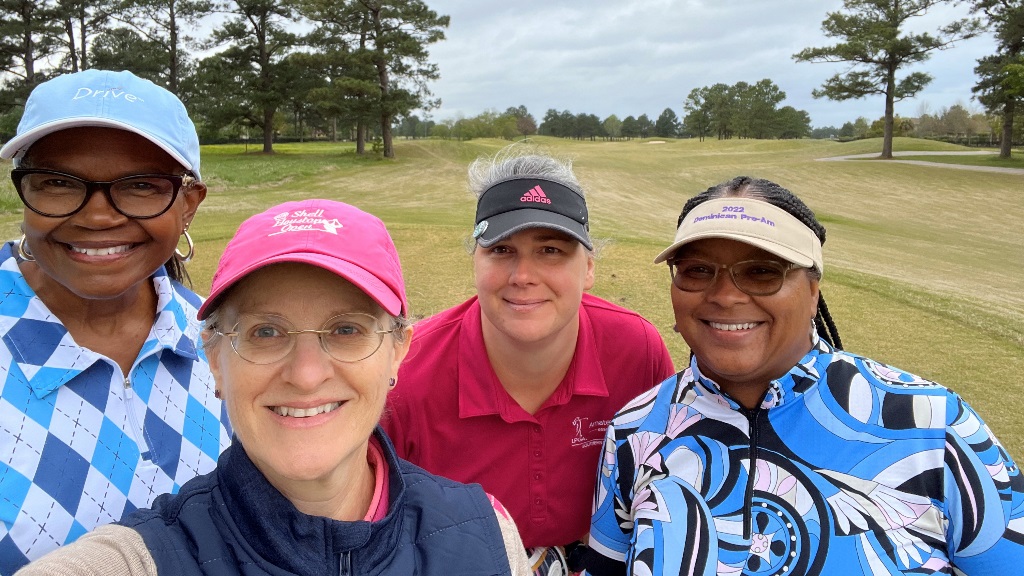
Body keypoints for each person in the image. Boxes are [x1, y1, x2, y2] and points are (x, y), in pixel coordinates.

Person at [15, 199, 531, 575]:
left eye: (346, 330)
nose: (306, 374)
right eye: (266, 332)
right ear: (215, 359)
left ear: (398, 350)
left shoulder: (486, 533)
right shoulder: (133, 563)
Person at [582, 176, 1024, 575]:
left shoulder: (930, 423)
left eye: (761, 271)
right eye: (698, 270)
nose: (725, 296)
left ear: (813, 290)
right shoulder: (635, 432)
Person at [383, 145, 675, 575]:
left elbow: (662, 495)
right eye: (501, 250)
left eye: (551, 251)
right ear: (475, 261)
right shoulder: (405, 371)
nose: (522, 276)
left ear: (589, 267)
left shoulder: (637, 349)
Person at [0, 69, 231, 572]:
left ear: (188, 205)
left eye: (142, 185)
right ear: (24, 193)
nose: (99, 217)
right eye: (59, 183)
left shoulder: (221, 336)